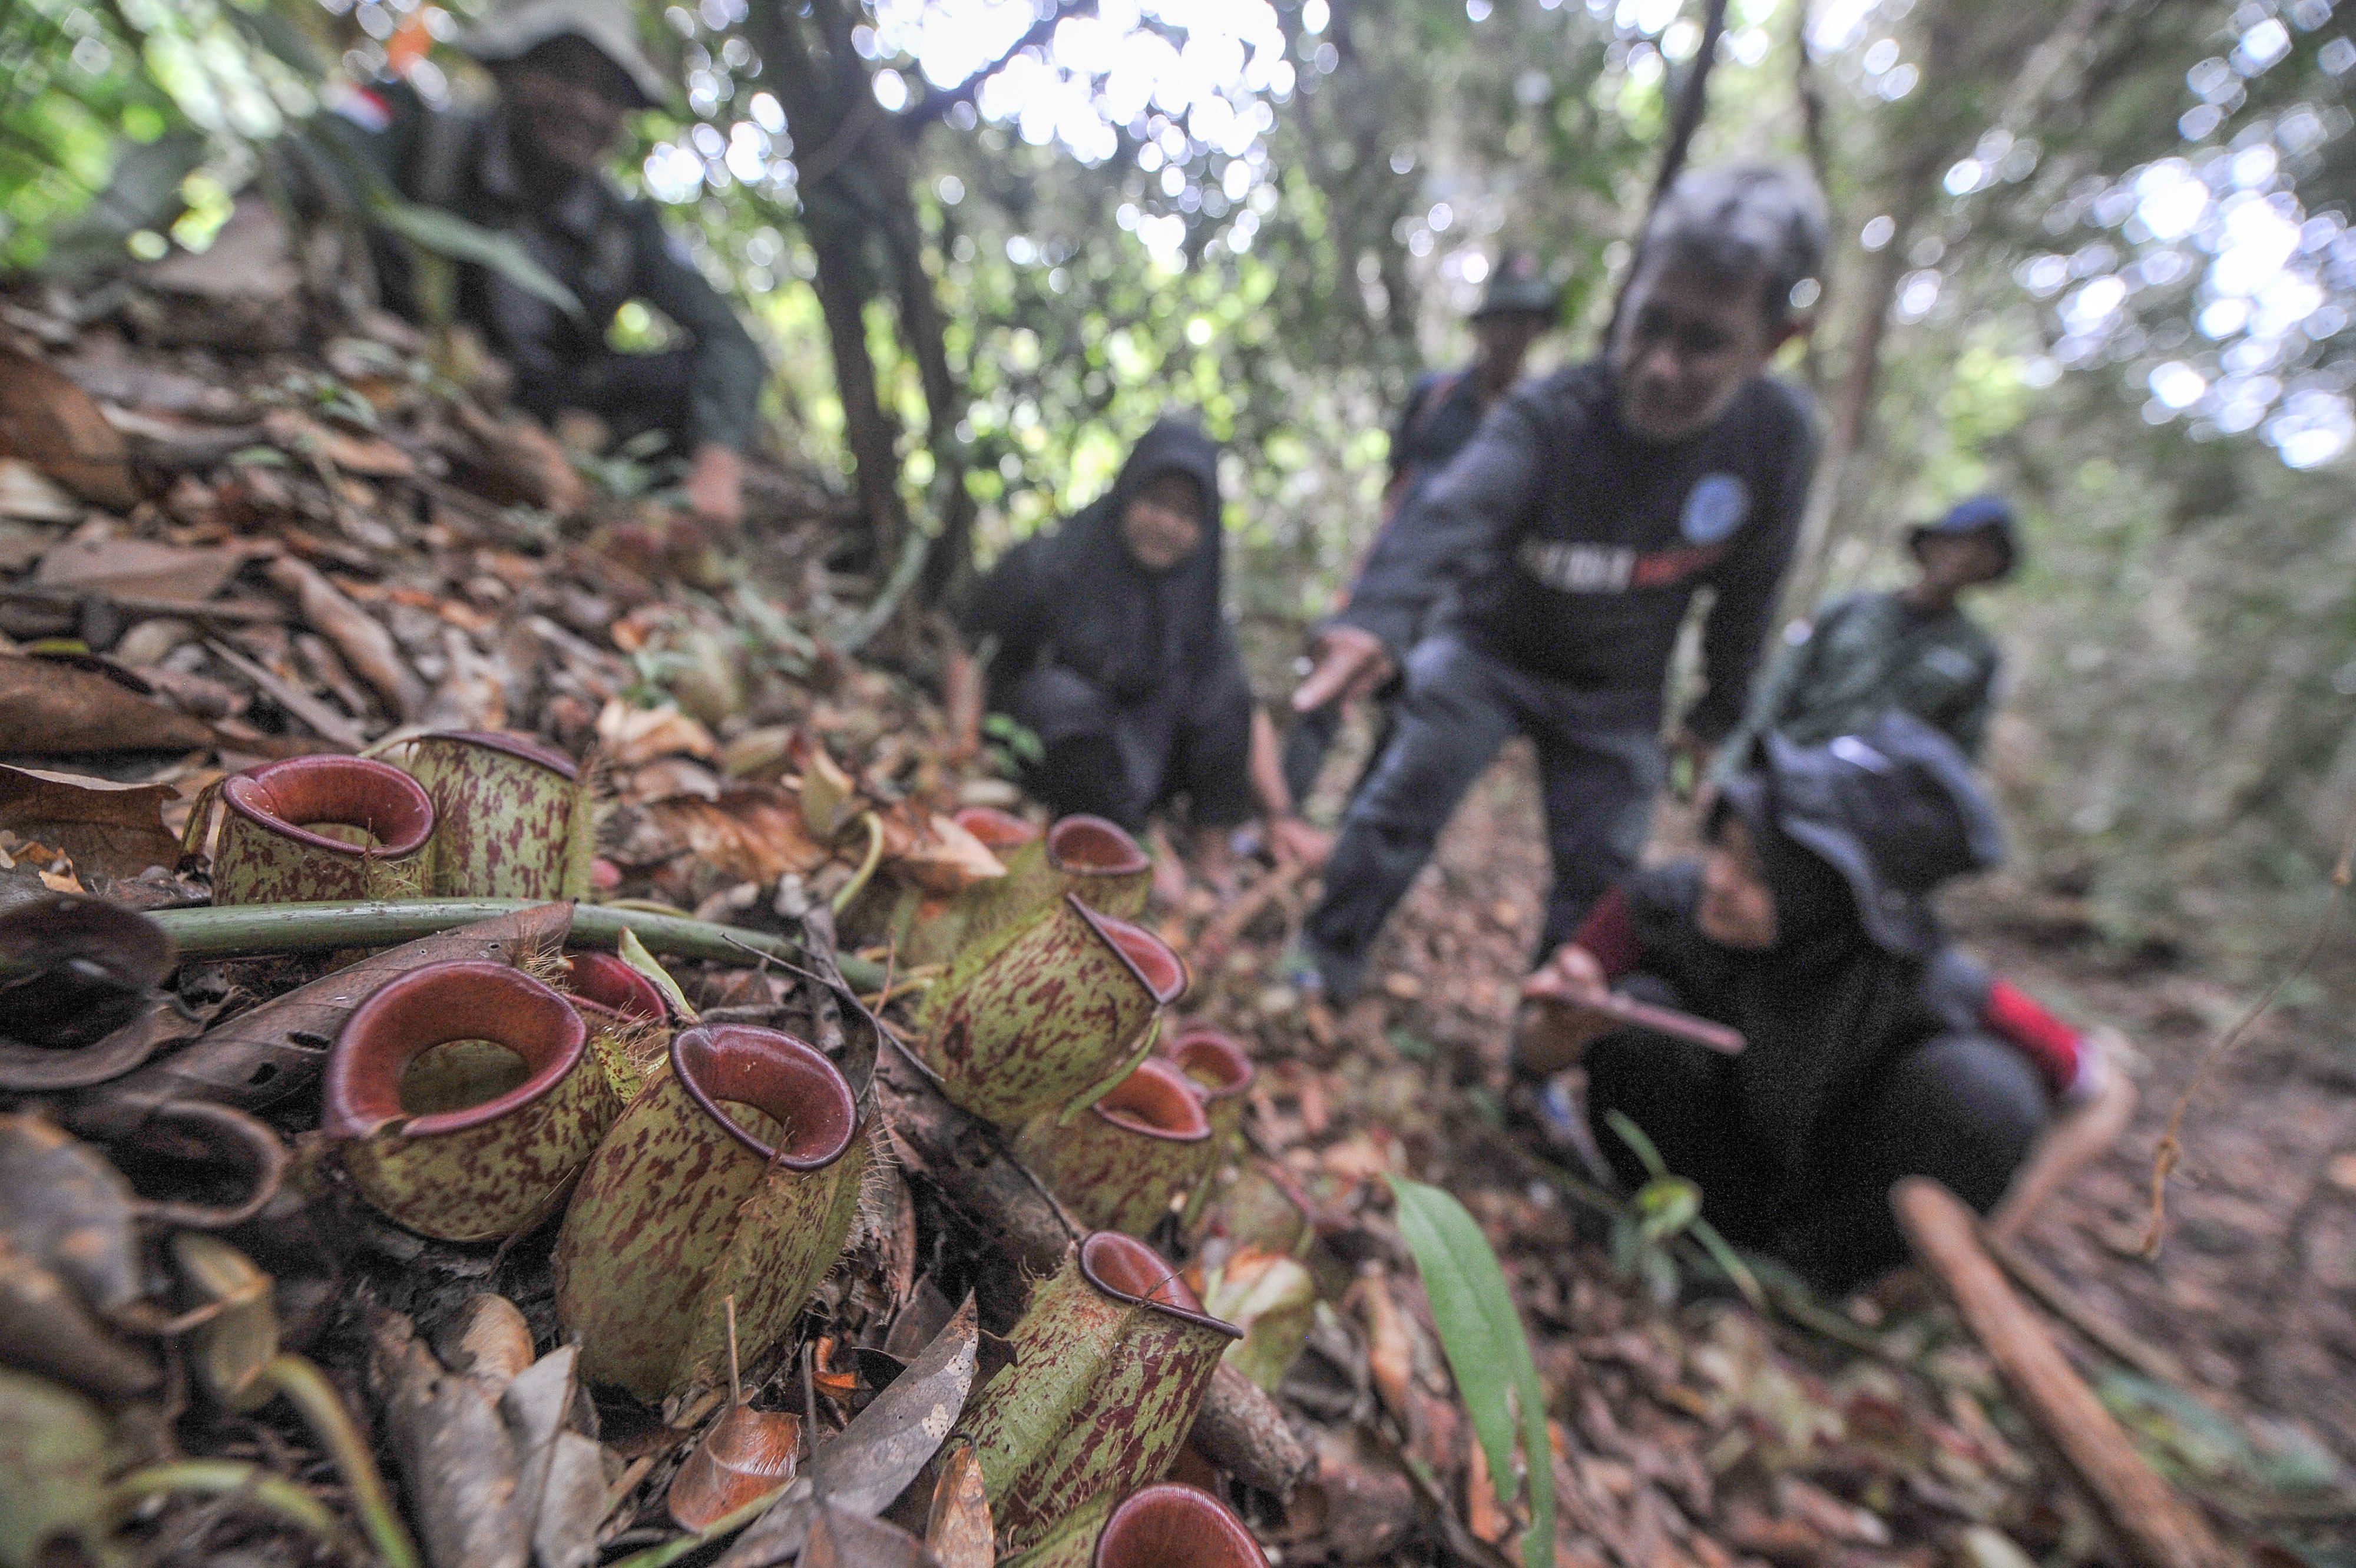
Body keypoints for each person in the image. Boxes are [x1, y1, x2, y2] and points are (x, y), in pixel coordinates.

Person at [1286, 163, 1829, 1003]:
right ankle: (1321, 965)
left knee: (1602, 875)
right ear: (1630, 294)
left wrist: (1715, 716)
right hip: (1488, 645)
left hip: (1618, 690)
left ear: (1776, 341)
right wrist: (1377, 617)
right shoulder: (1555, 412)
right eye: (1648, 325)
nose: (1659, 366)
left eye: (1705, 342)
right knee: (1403, 798)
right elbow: (1450, 512)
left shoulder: (1778, 440)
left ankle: (1545, 1053)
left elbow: (1750, 590)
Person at [1516, 713, 2109, 1294]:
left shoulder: (1924, 981)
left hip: (1829, 1206)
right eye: (1723, 847)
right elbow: (1532, 1055)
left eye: (1758, 875)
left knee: (1984, 1089)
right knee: (1640, 1013)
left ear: (1831, 904)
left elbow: (2102, 1095)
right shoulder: (1662, 907)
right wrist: (1562, 1025)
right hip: (1699, 1174)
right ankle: (1678, 1241)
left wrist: (1986, 1242)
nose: (1719, 880)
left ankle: (1805, 1284)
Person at [319, 0, 763, 528]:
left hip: (548, 417)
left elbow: (731, 342)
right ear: (511, 69)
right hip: (400, 382)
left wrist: (717, 468)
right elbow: (308, 166)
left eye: (608, 93)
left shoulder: (624, 226)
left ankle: (620, 515)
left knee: (689, 380)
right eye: (563, 74)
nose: (584, 106)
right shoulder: (420, 133)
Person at [961, 418, 1328, 885]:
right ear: (1128, 494)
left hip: (1144, 766)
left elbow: (1242, 713)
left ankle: (1211, 860)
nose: (1167, 525)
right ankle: (1134, 848)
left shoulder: (1198, 607)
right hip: (1053, 753)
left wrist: (1282, 814)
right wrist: (960, 749)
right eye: (1156, 503)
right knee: (1056, 701)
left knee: (1227, 694)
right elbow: (971, 648)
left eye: (1187, 515)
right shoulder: (1054, 562)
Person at [1280, 252, 1561, 806]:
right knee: (1332, 677)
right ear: (1483, 328)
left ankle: (1348, 840)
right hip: (1392, 573)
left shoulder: (1541, 424)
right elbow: (1398, 483)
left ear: (1536, 332)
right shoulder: (1435, 397)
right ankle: (1280, 816)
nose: (1510, 336)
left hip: (1462, 598)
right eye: (1501, 321)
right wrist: (1375, 567)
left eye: (1522, 324)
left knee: (1409, 711)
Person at [1712, 495, 2018, 786]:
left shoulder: (1976, 655)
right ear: (1931, 544)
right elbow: (1775, 693)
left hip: (1874, 811)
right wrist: (1729, 773)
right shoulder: (1845, 612)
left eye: (1980, 551)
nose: (1963, 557)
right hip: (1787, 773)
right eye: (1958, 542)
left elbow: (1958, 755)